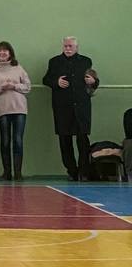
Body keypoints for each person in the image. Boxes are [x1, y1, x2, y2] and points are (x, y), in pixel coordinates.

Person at [42, 37, 99, 181]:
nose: (68, 49)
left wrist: (94, 81)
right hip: (62, 107)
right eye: (65, 46)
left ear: (76, 47)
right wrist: (56, 82)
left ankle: (84, 171)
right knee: (64, 140)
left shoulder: (86, 61)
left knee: (83, 139)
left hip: (81, 106)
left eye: (70, 46)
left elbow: (93, 80)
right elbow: (46, 80)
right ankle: (72, 171)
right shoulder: (54, 61)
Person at [0, 41, 31, 181]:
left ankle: (18, 173)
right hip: (2, 109)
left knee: (18, 140)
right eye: (0, 51)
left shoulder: (19, 68)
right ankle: (7, 172)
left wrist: (14, 86)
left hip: (19, 108)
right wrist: (1, 87)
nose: (2, 53)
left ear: (10, 53)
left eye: (5, 50)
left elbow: (27, 86)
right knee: (5, 140)